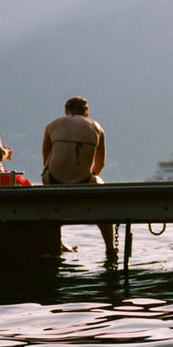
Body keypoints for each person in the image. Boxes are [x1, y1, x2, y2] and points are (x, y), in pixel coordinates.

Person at [42, 96, 115, 260]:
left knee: (52, 205)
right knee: (102, 202)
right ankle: (110, 248)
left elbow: (45, 160)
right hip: (84, 181)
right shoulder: (96, 127)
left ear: (66, 112)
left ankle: (59, 243)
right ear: (86, 113)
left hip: (53, 180)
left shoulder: (52, 125)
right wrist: (89, 176)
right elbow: (100, 165)